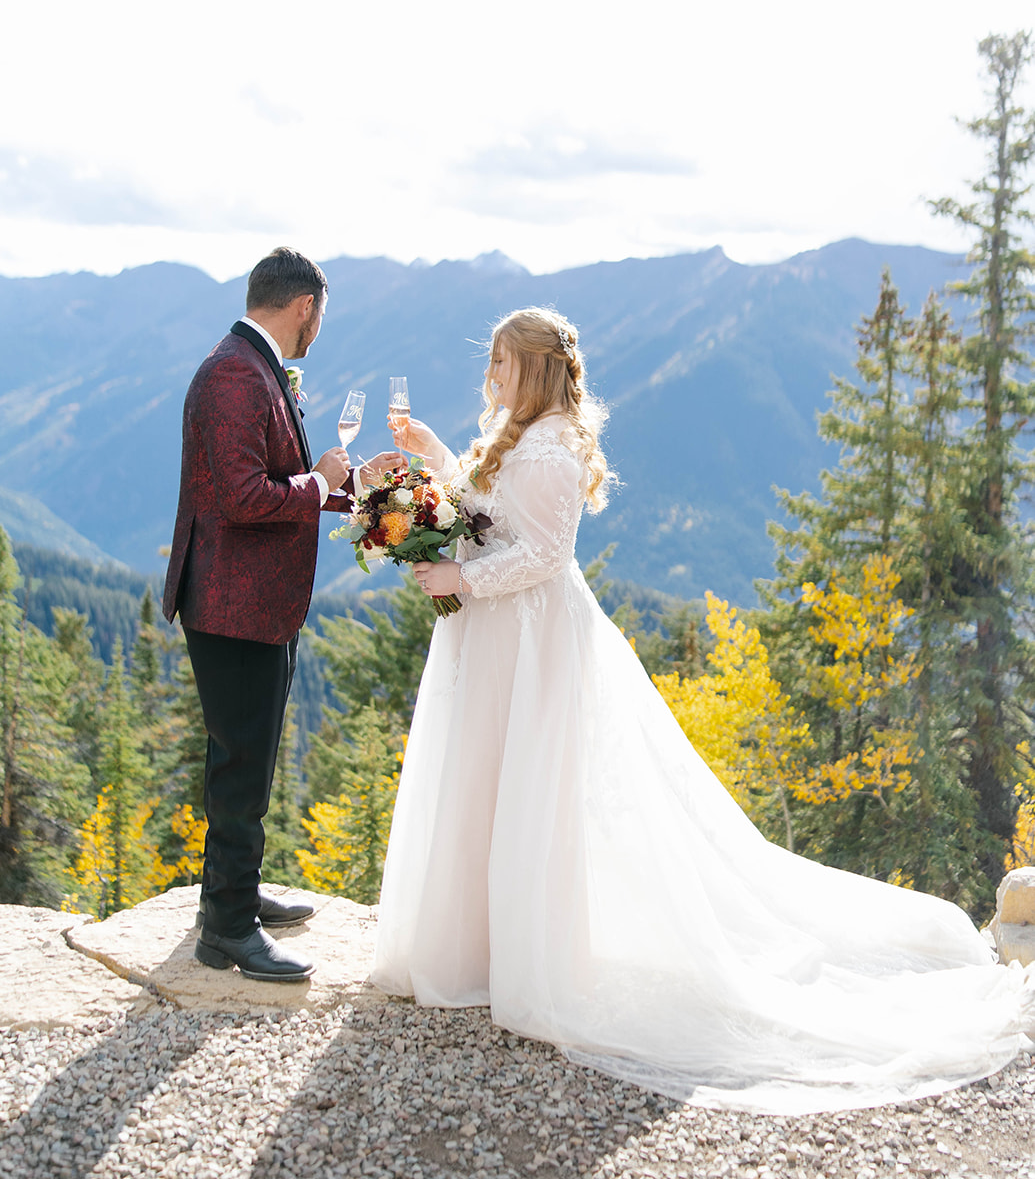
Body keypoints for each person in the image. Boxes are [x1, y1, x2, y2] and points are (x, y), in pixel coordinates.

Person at [371, 305, 1034, 1112]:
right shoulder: (521, 434)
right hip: (496, 639)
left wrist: (460, 581)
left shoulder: (550, 445)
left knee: (530, 790)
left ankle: (524, 954)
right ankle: (477, 948)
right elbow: (485, 507)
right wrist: (432, 456)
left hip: (531, 639)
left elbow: (544, 555)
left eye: (504, 364)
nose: (493, 376)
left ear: (538, 369)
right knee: (485, 783)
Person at [163, 247, 401, 981]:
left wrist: (349, 488)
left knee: (250, 760)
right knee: (240, 765)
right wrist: (318, 478)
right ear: (306, 307)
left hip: (255, 605)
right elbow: (243, 498)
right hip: (234, 605)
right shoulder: (237, 373)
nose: (317, 329)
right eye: (320, 317)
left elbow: (273, 482)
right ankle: (226, 930)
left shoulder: (249, 364)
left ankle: (230, 892)